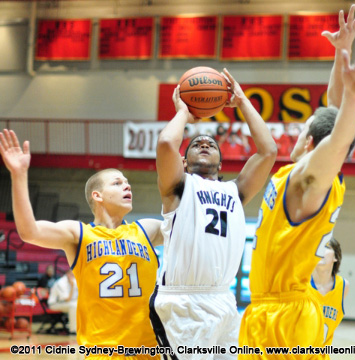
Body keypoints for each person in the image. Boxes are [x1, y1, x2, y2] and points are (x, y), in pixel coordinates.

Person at [238, 5, 355, 359]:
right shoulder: (302, 173)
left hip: (284, 317)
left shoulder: (310, 179)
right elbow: (332, 112)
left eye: (302, 126)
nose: (298, 128)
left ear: (309, 143)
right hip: (268, 309)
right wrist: (342, 52)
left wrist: (354, 97)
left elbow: (335, 140)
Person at [0, 129, 163, 359]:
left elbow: (190, 228)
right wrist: (19, 175)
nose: (127, 186)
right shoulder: (79, 234)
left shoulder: (146, 229)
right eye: (117, 183)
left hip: (148, 351)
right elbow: (29, 232)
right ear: (97, 196)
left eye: (127, 183)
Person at [150, 68, 277, 357]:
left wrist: (242, 101)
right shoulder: (178, 187)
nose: (204, 143)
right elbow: (167, 143)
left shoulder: (236, 190)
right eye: (196, 144)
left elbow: (268, 151)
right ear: (183, 162)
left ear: (221, 164)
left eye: (211, 144)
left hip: (223, 300)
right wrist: (183, 111)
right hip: (181, 302)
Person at [310, 238, 349, 357]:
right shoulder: (301, 284)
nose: (321, 250)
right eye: (318, 247)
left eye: (326, 247)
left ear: (335, 257)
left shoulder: (343, 286)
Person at [47, 269, 79, 334]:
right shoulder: (60, 283)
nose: (73, 276)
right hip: (54, 304)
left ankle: (82, 328)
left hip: (66, 303)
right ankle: (73, 330)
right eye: (71, 274)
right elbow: (67, 299)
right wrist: (72, 287)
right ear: (67, 274)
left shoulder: (74, 281)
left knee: (82, 304)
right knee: (73, 306)